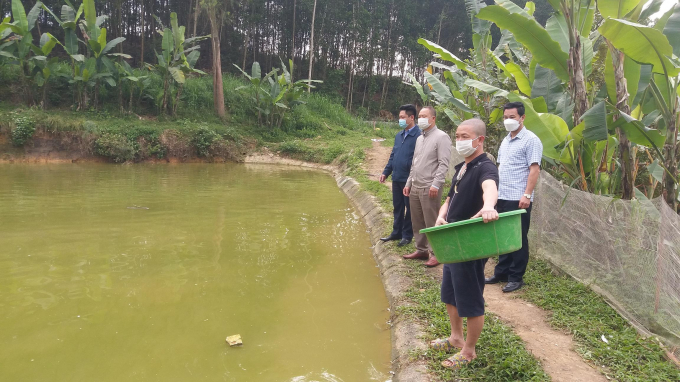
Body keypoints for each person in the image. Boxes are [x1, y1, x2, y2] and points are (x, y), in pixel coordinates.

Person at [428, 118, 499, 370]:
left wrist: (488, 205)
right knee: (450, 291)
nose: (459, 140)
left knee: (469, 297)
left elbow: (489, 187)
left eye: (464, 136)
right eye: (457, 135)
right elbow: (450, 197)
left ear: (479, 140)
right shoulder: (462, 167)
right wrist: (441, 214)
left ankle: (469, 351)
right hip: (452, 238)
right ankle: (455, 338)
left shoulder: (485, 167)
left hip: (470, 241)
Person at [485, 102, 543, 293]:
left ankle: (516, 277)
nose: (508, 121)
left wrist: (527, 194)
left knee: (517, 238)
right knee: (502, 237)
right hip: (502, 196)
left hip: (519, 198)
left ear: (522, 118)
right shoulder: (506, 140)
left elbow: (534, 169)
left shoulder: (531, 140)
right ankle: (501, 272)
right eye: (505, 117)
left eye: (512, 117)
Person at [403, 106, 452, 267]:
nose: (421, 119)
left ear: (433, 119)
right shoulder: (420, 138)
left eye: (425, 116)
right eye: (420, 116)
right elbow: (415, 163)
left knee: (431, 221)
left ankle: (436, 253)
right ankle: (421, 249)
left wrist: (436, 184)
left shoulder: (441, 137)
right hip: (416, 185)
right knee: (417, 220)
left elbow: (443, 164)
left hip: (429, 186)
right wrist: (409, 182)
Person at [379, 104, 421, 247]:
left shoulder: (419, 137)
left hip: (409, 179)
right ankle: (396, 232)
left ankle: (407, 235)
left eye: (403, 117)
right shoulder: (399, 135)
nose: (400, 120)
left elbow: (418, 160)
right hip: (396, 177)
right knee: (397, 206)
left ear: (411, 118)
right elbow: (393, 155)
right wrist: (386, 172)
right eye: (400, 117)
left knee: (409, 208)